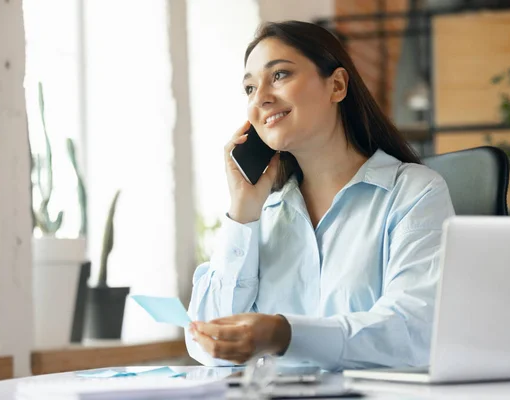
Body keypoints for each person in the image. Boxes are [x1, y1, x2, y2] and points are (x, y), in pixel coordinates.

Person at [185, 20, 455, 371]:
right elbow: (208, 345)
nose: (261, 97)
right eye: (249, 88)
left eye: (279, 75)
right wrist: (242, 212)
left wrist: (286, 335)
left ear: (337, 85)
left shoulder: (413, 193)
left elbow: (414, 330)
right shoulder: (262, 213)